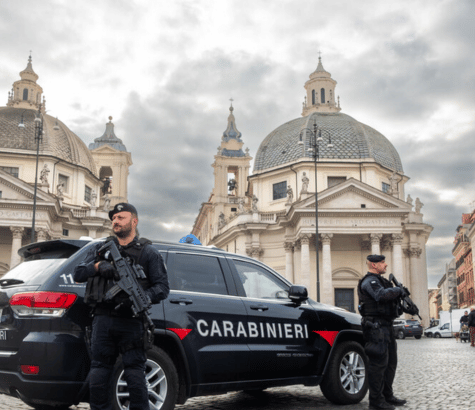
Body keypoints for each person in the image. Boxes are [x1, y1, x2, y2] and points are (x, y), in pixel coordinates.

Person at [74, 203, 169, 410]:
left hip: (132, 321)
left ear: (134, 221)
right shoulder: (99, 249)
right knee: (99, 372)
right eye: (114, 218)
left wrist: (142, 297)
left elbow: (162, 287)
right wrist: (98, 266)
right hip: (103, 320)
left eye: (121, 218)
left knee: (135, 373)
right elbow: (78, 274)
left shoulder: (148, 252)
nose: (116, 221)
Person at [357, 255, 407, 410]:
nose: (386, 265)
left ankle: (387, 396)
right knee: (378, 365)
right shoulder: (369, 281)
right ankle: (376, 402)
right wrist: (398, 290)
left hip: (387, 327)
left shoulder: (381, 281)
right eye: (382, 262)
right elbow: (380, 295)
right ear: (374, 265)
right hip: (376, 328)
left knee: (391, 363)